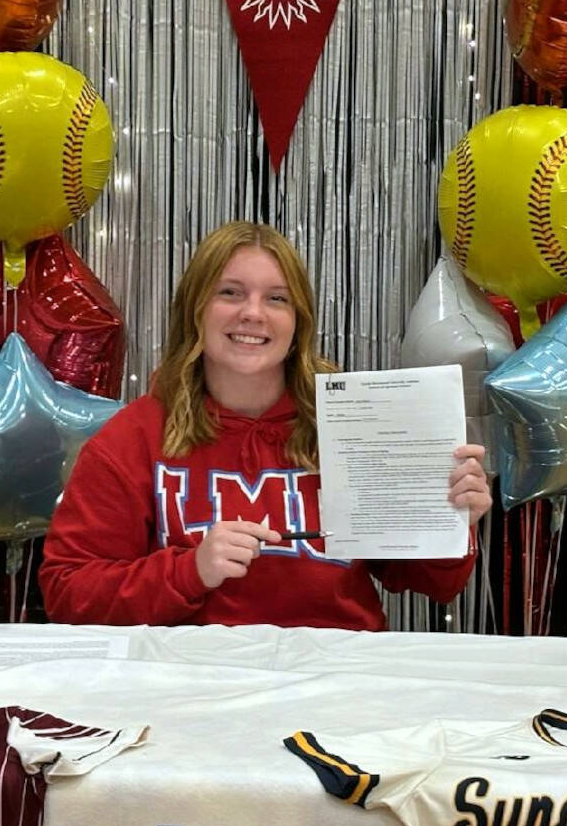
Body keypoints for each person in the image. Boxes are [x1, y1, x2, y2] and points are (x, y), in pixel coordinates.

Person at [39, 221, 492, 629]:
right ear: (195, 309)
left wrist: (452, 516)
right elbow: (69, 592)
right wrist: (190, 569)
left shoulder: (353, 420)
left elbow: (426, 581)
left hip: (338, 675)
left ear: (298, 322)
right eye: (230, 292)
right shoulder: (133, 437)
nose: (253, 313)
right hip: (191, 681)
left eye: (277, 299)